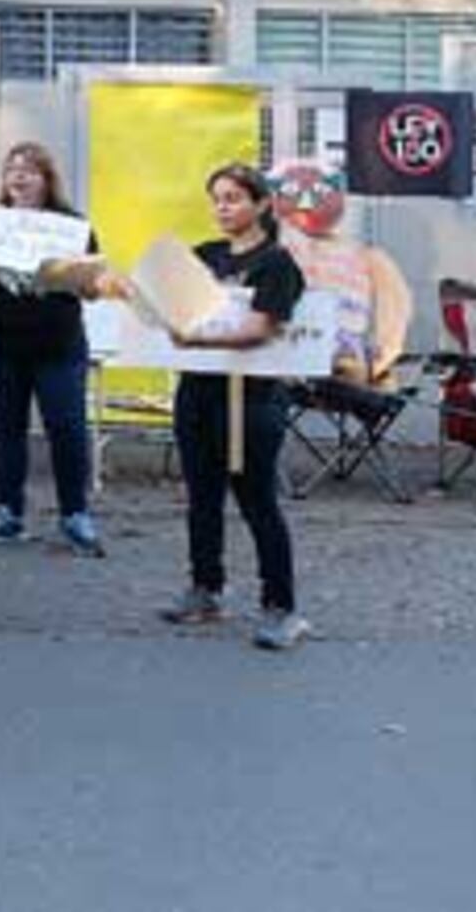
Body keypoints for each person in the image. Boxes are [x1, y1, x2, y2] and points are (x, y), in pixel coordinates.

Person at [156, 163, 311, 651]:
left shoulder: (277, 263)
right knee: (202, 496)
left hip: (253, 398)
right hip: (200, 391)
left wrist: (197, 339)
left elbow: (260, 329)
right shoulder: (205, 256)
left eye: (234, 198)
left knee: (255, 498)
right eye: (217, 199)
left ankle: (282, 608)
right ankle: (206, 590)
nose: (224, 208)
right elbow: (170, 305)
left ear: (261, 204)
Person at [0, 142, 106, 556]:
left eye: (30, 170)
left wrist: (79, 278)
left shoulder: (72, 225)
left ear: (47, 180)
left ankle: (75, 514)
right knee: (6, 429)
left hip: (57, 345)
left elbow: (93, 290)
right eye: (12, 170)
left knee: (66, 426)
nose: (19, 177)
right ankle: (8, 512)